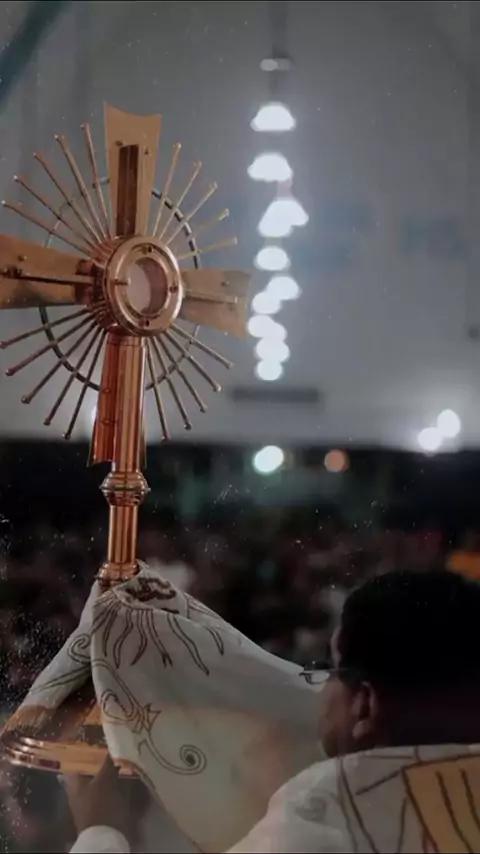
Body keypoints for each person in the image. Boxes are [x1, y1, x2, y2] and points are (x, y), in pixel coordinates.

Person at [68, 568, 480, 853]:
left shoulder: (325, 809)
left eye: (329, 669)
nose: (319, 688)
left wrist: (100, 831)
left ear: (365, 705)